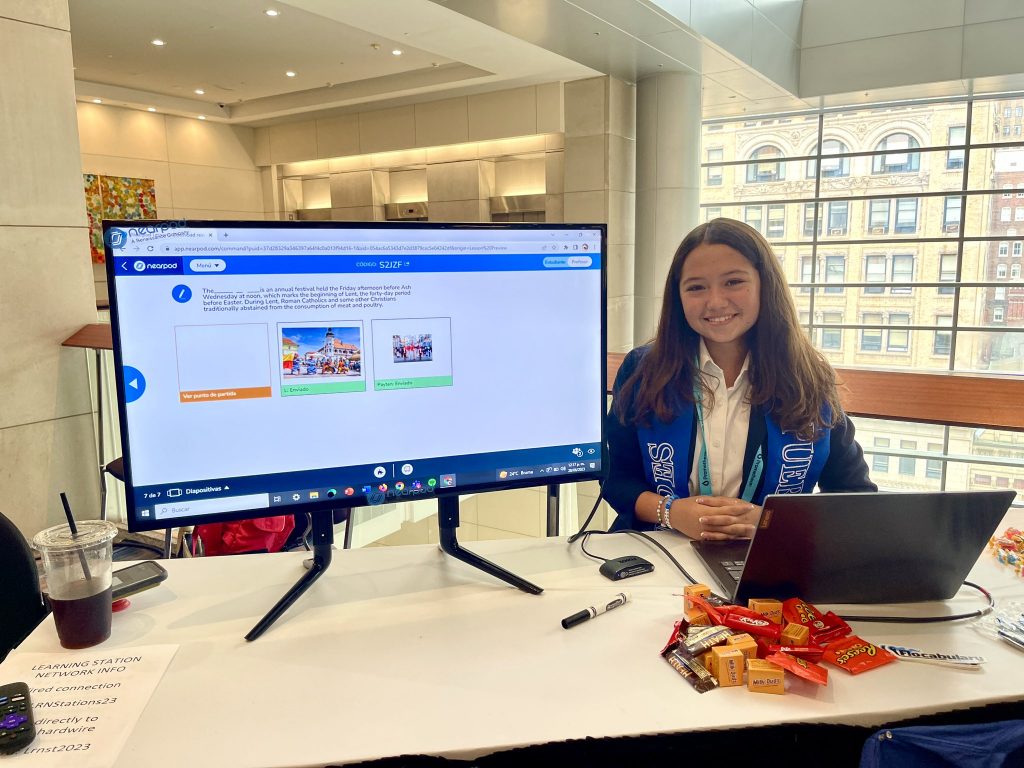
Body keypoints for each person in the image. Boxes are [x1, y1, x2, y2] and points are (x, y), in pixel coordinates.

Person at [604, 218, 876, 540]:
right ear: (677, 297)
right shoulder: (644, 370)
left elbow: (854, 494)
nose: (715, 302)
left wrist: (772, 520)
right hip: (660, 549)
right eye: (696, 287)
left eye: (733, 282)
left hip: (766, 557)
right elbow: (615, 478)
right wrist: (671, 512)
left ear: (765, 285)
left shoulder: (808, 379)